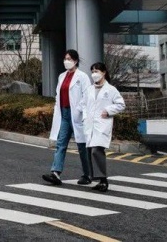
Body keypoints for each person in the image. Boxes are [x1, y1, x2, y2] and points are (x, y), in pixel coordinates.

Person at [42, 49, 92, 186]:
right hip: (64, 114)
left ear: (75, 61)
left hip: (78, 115)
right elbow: (58, 95)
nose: (66, 61)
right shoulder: (61, 76)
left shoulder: (82, 77)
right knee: (61, 143)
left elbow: (87, 96)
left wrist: (79, 110)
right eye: (65, 59)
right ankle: (56, 173)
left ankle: (87, 175)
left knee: (82, 146)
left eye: (69, 59)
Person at [81, 62, 125, 192]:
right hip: (89, 124)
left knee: (96, 151)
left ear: (104, 72)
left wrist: (109, 110)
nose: (94, 74)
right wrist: (84, 117)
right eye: (93, 71)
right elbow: (83, 104)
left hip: (102, 124)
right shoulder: (89, 89)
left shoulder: (111, 90)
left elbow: (121, 104)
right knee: (90, 152)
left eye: (97, 71)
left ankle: (104, 180)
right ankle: (99, 180)